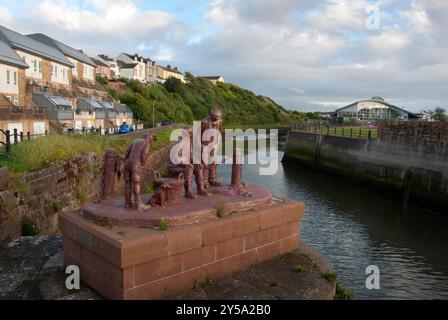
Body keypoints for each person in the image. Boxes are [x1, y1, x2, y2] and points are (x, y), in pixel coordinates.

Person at [167, 126, 209, 198]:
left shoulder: (190, 143)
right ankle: (188, 191)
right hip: (174, 166)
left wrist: (199, 163)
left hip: (184, 164)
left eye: (190, 133)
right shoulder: (178, 144)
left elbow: (191, 156)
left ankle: (200, 189)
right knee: (189, 168)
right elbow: (176, 158)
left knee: (198, 167)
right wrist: (185, 164)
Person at [124, 133, 156, 210]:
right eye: (152, 141)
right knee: (136, 182)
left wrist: (128, 160)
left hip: (127, 163)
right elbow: (144, 155)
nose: (151, 143)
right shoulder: (146, 143)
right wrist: (142, 165)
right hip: (136, 164)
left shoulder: (136, 140)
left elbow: (126, 152)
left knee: (128, 182)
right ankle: (139, 204)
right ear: (150, 140)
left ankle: (128, 202)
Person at [201, 108, 223, 188]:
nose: (216, 121)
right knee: (205, 163)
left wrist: (217, 145)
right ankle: (204, 181)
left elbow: (219, 133)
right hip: (204, 145)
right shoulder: (204, 122)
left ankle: (212, 180)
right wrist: (202, 146)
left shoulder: (220, 122)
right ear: (210, 116)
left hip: (214, 144)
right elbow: (198, 135)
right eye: (214, 119)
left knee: (213, 162)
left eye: (218, 119)